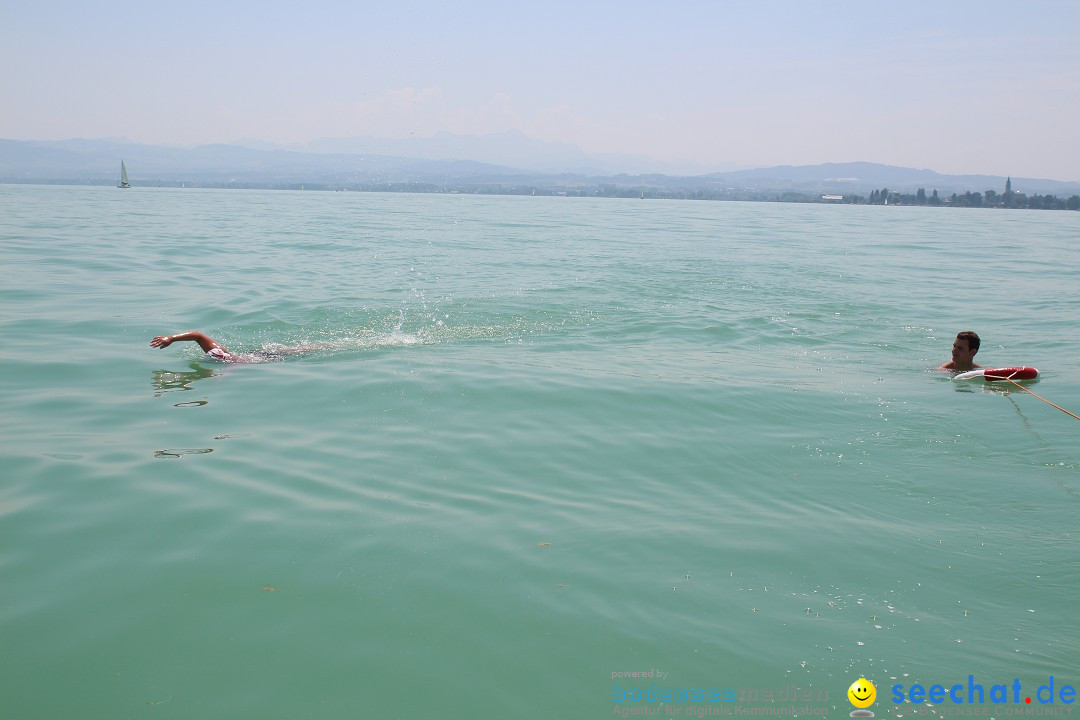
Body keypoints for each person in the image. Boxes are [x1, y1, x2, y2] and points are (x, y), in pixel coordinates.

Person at [151, 331, 324, 363]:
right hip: (252, 356)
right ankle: (318, 346)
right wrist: (171, 338)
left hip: (257, 359)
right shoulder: (217, 352)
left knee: (295, 352)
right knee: (290, 351)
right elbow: (198, 336)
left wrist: (171, 338)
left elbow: (198, 335)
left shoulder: (223, 356)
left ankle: (321, 347)